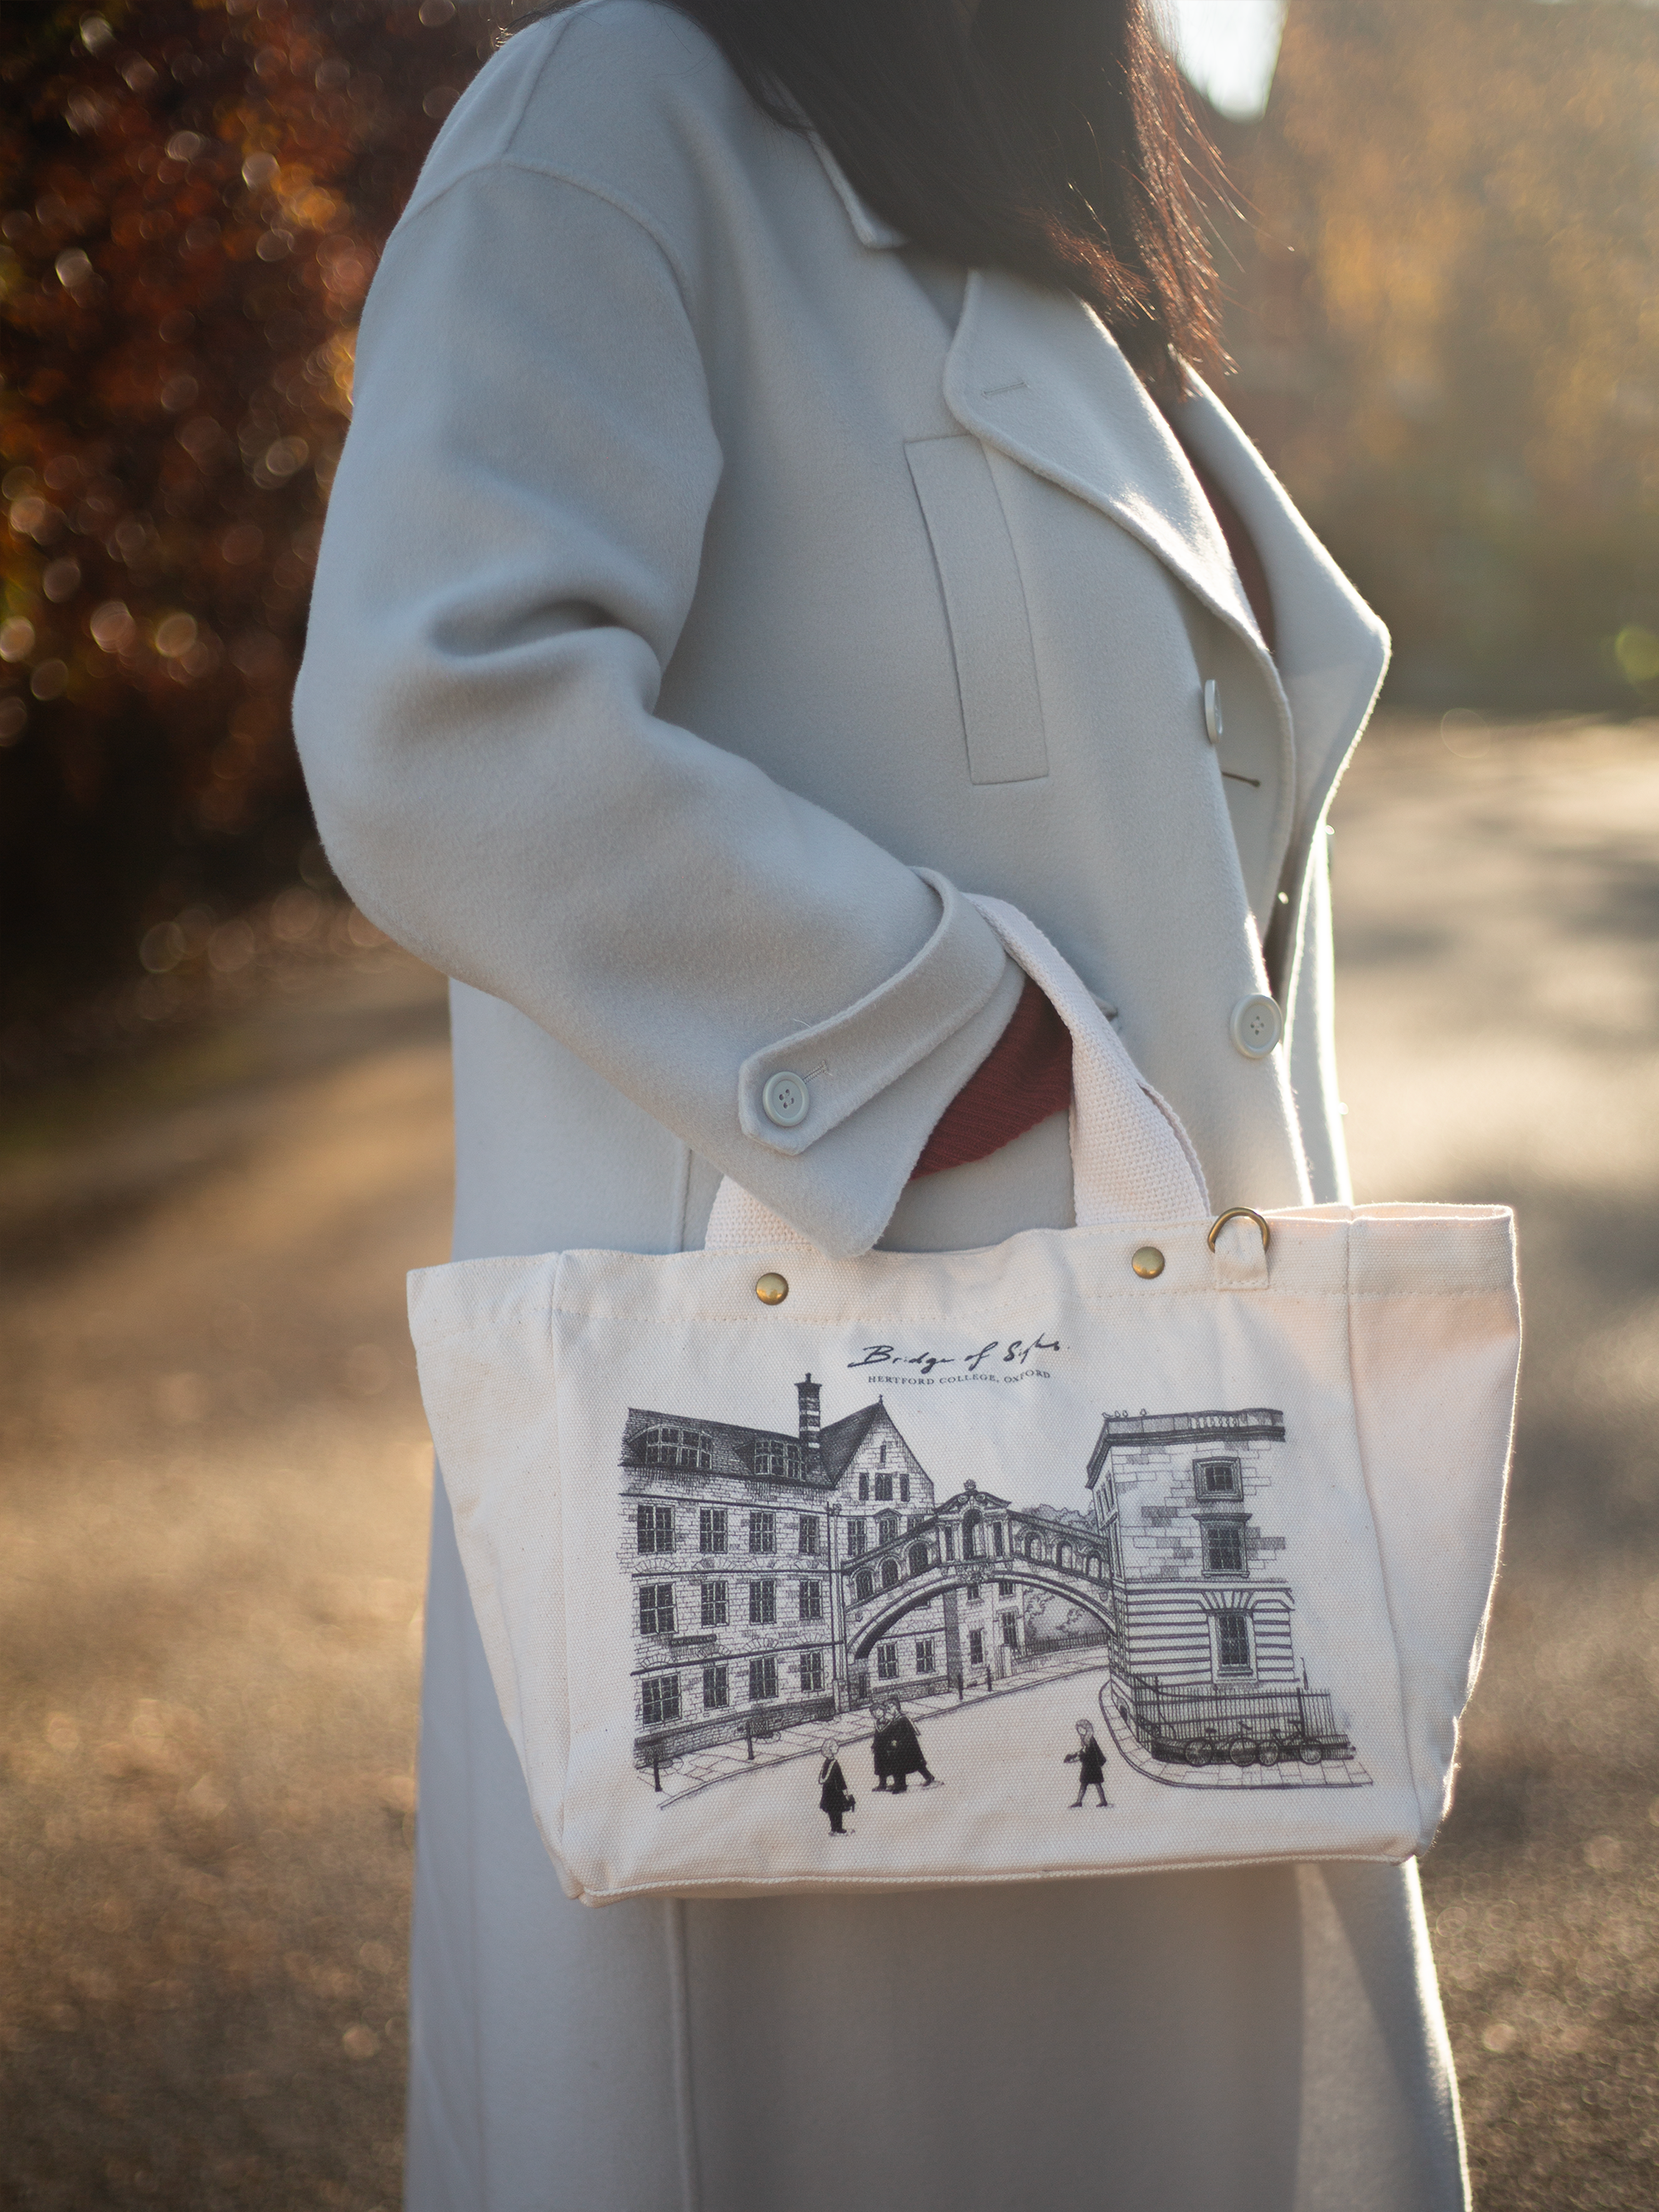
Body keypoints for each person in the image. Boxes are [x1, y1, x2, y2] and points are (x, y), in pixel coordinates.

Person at [294, 3, 1467, 2208]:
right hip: (788, 1476)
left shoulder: (1046, 239)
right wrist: (930, 1033)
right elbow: (432, 717)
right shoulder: (612, 115)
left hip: (1166, 1440)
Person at [885, 1701, 937, 1791]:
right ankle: (900, 1784)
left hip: (908, 1746)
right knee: (903, 1765)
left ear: (896, 1707)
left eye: (890, 1707)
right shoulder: (895, 1719)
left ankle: (927, 1777)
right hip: (902, 1746)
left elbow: (908, 1733)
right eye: (887, 1708)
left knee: (915, 1764)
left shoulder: (903, 1719)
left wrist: (898, 1741)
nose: (888, 1710)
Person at [1066, 1718, 1110, 1806]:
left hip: (1092, 1766)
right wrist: (1076, 1755)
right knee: (1085, 1784)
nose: (1080, 1731)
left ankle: (1102, 1801)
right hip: (1089, 1765)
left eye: (1081, 1729)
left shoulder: (1089, 1739)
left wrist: (1077, 1756)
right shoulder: (1086, 1739)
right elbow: (1084, 1751)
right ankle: (1080, 1801)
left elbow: (1088, 1752)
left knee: (1095, 1783)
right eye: (1079, 1729)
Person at [819, 1743, 854, 1835]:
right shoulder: (834, 1764)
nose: (837, 1747)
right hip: (835, 1791)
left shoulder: (827, 1763)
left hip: (828, 1791)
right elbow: (840, 1779)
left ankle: (834, 1829)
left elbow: (822, 1778)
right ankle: (838, 1829)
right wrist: (845, 1792)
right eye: (834, 1746)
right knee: (837, 1811)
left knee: (832, 1811)